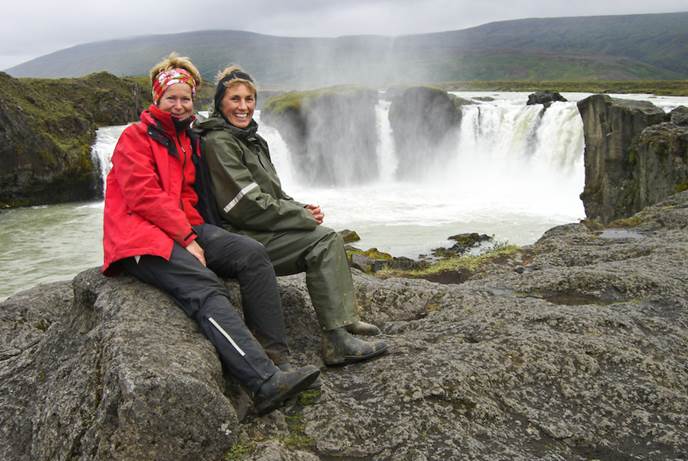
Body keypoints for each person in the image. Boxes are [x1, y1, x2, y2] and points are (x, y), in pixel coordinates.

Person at [101, 53, 319, 415]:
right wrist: (188, 240)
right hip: (139, 238)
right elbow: (143, 196)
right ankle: (263, 382)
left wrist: (203, 234)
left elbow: (189, 197)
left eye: (185, 98)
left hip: (182, 227)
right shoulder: (134, 137)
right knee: (204, 286)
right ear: (156, 99)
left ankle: (275, 359)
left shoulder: (187, 140)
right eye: (171, 98)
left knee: (251, 253)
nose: (179, 105)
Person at [196, 66, 388, 366]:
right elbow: (245, 205)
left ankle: (344, 319)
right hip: (239, 236)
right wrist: (299, 216)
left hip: (259, 227)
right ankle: (336, 340)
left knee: (328, 237)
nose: (243, 106)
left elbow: (274, 193)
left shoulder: (251, 139)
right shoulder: (219, 142)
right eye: (235, 99)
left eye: (249, 98)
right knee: (323, 241)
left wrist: (301, 207)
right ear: (220, 102)